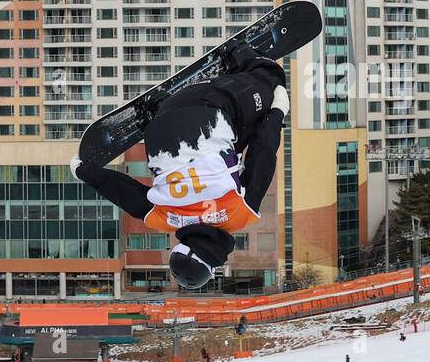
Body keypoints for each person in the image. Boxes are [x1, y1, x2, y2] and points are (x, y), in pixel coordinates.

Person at [72, 42, 288, 290]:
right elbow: (125, 193)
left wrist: (277, 114)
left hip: (216, 104)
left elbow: (263, 154)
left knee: (271, 79)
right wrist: (85, 172)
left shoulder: (241, 214)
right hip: (162, 123)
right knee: (227, 151)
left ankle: (239, 53)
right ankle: (155, 106)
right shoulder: (164, 220)